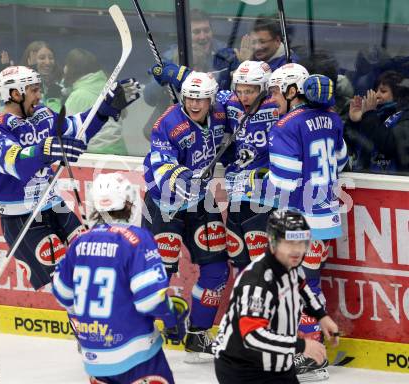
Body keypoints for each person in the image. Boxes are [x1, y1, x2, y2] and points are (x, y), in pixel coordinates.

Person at [0, 65, 140, 290]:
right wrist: (46, 149)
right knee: (68, 285)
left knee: (91, 262)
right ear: (15, 94)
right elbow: (13, 161)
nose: (39, 95)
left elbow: (75, 129)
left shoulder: (42, 115)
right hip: (22, 217)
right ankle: (86, 324)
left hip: (55, 206)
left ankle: (102, 321)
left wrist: (102, 110)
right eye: (33, 90)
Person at [52, 172, 189, 384]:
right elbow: (149, 300)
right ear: (130, 202)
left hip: (94, 358)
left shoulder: (79, 243)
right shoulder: (138, 239)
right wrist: (172, 317)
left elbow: (63, 295)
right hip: (138, 355)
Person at [262, 64, 348, 380]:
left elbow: (282, 182)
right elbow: (340, 161)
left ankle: (312, 357)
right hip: (326, 218)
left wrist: (249, 184)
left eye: (275, 92)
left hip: (301, 220)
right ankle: (313, 352)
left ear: (292, 90)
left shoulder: (286, 125)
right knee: (308, 284)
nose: (271, 99)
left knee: (300, 288)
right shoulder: (333, 119)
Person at [142, 71, 229, 362]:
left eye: (201, 98)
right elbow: (162, 166)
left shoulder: (220, 112)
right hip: (165, 205)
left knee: (217, 270)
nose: (194, 103)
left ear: (211, 99)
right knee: (156, 275)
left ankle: (197, 335)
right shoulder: (167, 123)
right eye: (190, 97)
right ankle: (138, 332)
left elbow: (244, 99)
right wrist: (183, 177)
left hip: (200, 202)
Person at [214, 210, 340, 384]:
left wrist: (322, 317)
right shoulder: (256, 283)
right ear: (273, 243)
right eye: (289, 243)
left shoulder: (287, 264)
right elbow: (252, 336)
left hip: (276, 362)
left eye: (302, 242)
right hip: (241, 368)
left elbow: (302, 288)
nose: (297, 250)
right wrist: (302, 346)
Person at [143, 8, 239, 140]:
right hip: (178, 127)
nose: (203, 36)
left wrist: (243, 62)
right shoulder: (171, 58)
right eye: (196, 32)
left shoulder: (225, 55)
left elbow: (238, 94)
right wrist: (171, 74)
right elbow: (149, 97)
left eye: (206, 30)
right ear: (186, 36)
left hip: (216, 125)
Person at [220, 60, 279, 269]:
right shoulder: (229, 102)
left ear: (265, 88)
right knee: (239, 262)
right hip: (236, 191)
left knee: (261, 263)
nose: (244, 97)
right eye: (240, 90)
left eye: (251, 91)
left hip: (264, 195)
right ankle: (243, 301)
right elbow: (200, 94)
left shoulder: (278, 106)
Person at [63, 48, 128, 155]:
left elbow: (65, 132)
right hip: (121, 152)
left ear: (71, 69)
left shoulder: (78, 96)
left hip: (96, 156)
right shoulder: (109, 87)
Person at [345, 70, 409, 172]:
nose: (377, 95)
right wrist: (354, 122)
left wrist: (369, 115)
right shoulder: (372, 115)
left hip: (392, 182)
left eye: (383, 91)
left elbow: (391, 145)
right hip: (363, 176)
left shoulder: (405, 117)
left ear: (397, 94)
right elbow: (349, 147)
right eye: (376, 90)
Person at [21, 41, 63, 111]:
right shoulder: (19, 86)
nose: (48, 62)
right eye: (42, 58)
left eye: (51, 58)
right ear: (29, 61)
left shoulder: (59, 84)